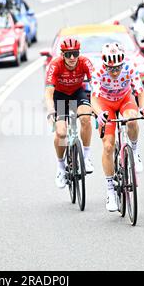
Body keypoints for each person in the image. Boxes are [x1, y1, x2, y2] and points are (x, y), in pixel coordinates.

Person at [90, 42, 144, 212]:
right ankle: (110, 190)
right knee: (108, 146)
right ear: (105, 65)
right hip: (105, 103)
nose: (115, 72)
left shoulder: (130, 67)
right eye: (111, 69)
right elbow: (93, 98)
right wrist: (99, 113)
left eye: (118, 67)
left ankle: (135, 151)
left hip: (125, 99)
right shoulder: (98, 71)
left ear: (123, 63)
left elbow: (140, 93)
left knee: (132, 120)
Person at [45, 37, 95, 189]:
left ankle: (85, 158)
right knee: (61, 134)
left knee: (86, 118)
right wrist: (51, 111)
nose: (72, 58)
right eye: (68, 54)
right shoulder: (55, 65)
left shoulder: (85, 62)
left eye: (75, 53)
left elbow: (96, 85)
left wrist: (98, 106)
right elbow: (48, 93)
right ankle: (60, 167)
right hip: (60, 97)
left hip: (77, 93)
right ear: (62, 55)